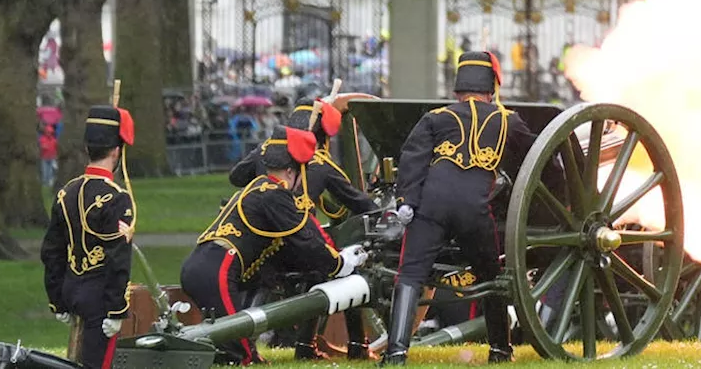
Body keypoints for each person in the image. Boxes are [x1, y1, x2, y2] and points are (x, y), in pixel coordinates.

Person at [181, 127, 367, 366]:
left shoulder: (258, 186)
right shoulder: (275, 195)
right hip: (218, 270)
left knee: (233, 349)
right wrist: (340, 263)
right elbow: (305, 241)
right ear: (291, 171)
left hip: (202, 266)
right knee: (239, 354)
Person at [383, 51, 523, 365]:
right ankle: (500, 350)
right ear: (492, 89)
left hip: (430, 207)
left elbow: (412, 162)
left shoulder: (435, 117)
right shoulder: (509, 121)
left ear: (457, 90)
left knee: (410, 274)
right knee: (491, 276)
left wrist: (406, 203)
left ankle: (395, 353)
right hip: (475, 211)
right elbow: (536, 163)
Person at [227, 98, 377, 360]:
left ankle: (247, 345)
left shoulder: (265, 151)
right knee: (351, 270)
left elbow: (236, 177)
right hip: (300, 245)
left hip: (263, 246)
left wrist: (260, 158)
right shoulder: (320, 162)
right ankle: (348, 346)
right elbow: (358, 201)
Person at [41, 105, 137, 369]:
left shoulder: (66, 192)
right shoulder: (116, 198)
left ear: (87, 149)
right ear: (117, 151)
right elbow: (118, 259)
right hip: (100, 298)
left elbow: (52, 251)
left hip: (70, 289)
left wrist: (57, 299)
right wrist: (117, 309)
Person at [38, 123, 58, 188]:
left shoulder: (54, 140)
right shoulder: (42, 139)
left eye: (50, 132)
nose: (49, 133)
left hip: (52, 158)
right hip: (44, 158)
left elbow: (55, 148)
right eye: (48, 132)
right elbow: (42, 146)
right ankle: (44, 185)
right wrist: (44, 147)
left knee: (50, 172)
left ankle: (49, 185)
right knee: (45, 172)